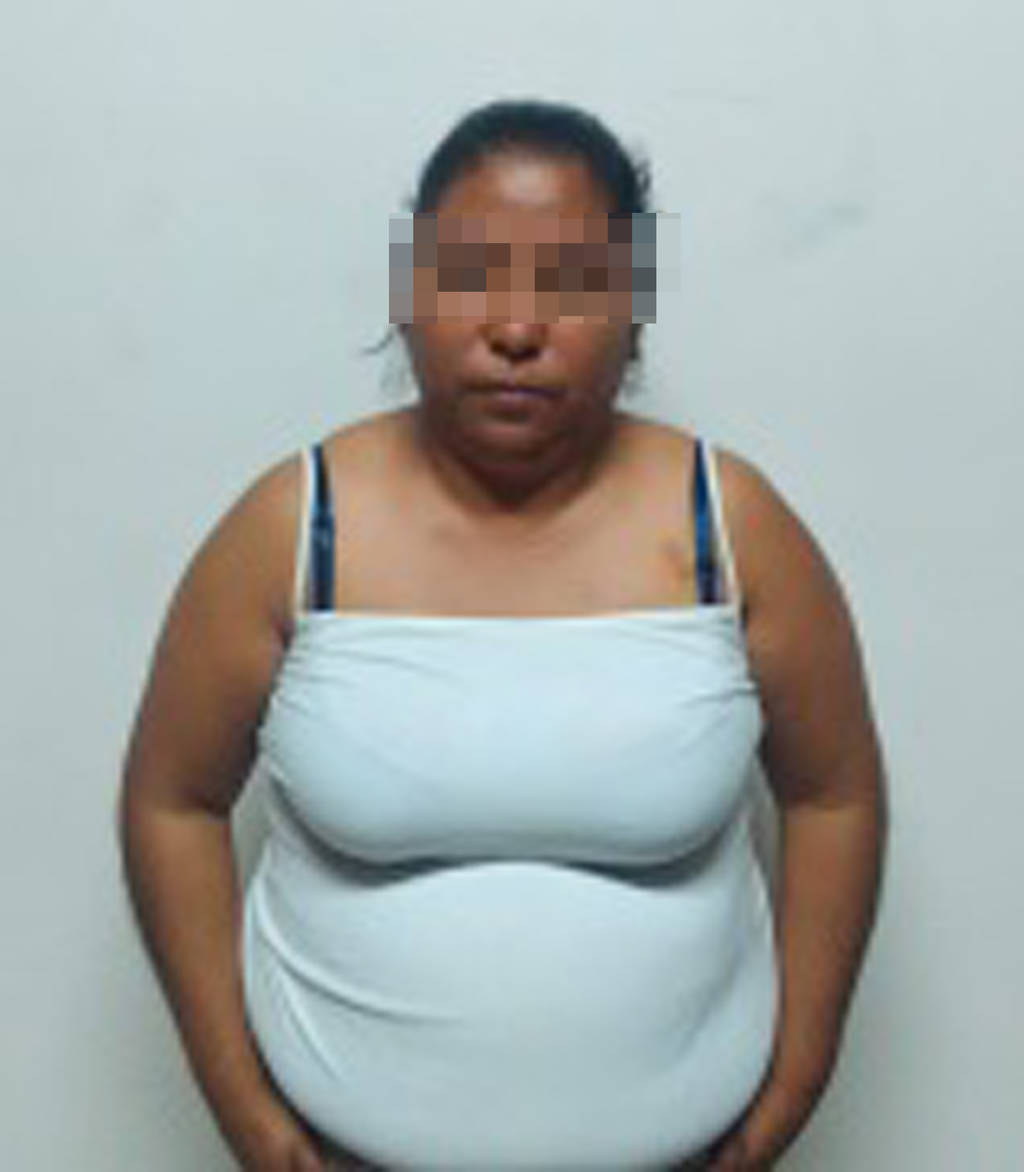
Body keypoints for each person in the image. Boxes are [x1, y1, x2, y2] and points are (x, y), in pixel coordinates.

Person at [117, 99, 887, 1171]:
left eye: (570, 282)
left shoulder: (731, 525)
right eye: (471, 274)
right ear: (409, 294)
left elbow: (834, 794)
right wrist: (248, 1115)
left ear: (634, 307)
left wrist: (797, 1077)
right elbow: (171, 802)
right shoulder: (291, 529)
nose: (516, 329)